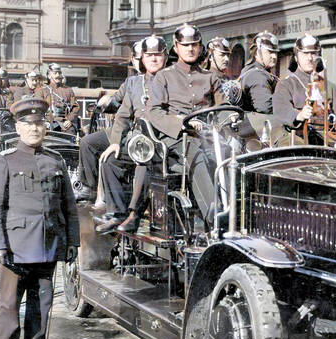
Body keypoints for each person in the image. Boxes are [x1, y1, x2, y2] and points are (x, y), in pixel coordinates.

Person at [0, 97, 79, 339]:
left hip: (47, 247)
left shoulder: (55, 161)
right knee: (9, 310)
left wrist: (71, 242)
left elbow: (68, 206)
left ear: (45, 127)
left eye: (39, 123)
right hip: (15, 249)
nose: (35, 129)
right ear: (17, 127)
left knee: (42, 309)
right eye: (28, 124)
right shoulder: (5, 161)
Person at [146, 23, 225, 223]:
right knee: (194, 150)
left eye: (195, 44)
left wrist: (228, 120)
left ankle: (239, 211)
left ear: (200, 47)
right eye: (186, 45)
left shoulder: (211, 77)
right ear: (176, 47)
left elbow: (223, 109)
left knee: (233, 154)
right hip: (176, 138)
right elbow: (154, 112)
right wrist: (179, 124)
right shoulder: (164, 76)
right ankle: (214, 217)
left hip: (208, 135)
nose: (190, 49)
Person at [98, 35, 168, 233]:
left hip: (163, 141)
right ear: (142, 59)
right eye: (149, 55)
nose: (153, 59)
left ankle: (134, 214)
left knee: (145, 159)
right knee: (109, 160)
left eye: (157, 55)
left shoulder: (172, 80)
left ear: (165, 57)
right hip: (139, 139)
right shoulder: (135, 84)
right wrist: (115, 142)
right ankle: (117, 213)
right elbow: (122, 116)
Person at [75, 41, 142, 202]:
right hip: (122, 129)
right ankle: (89, 187)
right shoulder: (130, 82)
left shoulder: (159, 79)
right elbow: (117, 101)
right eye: (138, 58)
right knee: (87, 142)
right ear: (133, 60)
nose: (142, 62)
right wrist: (108, 102)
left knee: (111, 160)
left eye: (144, 57)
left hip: (139, 133)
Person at [273, 33, 336, 151]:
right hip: (298, 141)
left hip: (328, 142)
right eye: (305, 53)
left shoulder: (329, 86)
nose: (310, 58)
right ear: (296, 57)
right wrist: (298, 115)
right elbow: (281, 109)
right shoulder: (286, 84)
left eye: (313, 53)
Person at [239, 31, 280, 141]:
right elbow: (265, 107)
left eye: (275, 52)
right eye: (270, 52)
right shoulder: (256, 74)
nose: (274, 56)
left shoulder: (256, 70)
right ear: (257, 51)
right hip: (258, 134)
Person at [36, 63, 80, 132]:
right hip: (46, 123)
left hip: (64, 124)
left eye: (59, 73)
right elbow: (37, 109)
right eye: (55, 73)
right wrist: (43, 122)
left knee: (71, 134)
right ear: (49, 75)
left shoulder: (68, 90)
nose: (58, 75)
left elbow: (75, 107)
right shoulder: (42, 91)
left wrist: (69, 120)